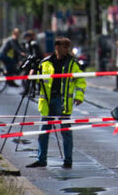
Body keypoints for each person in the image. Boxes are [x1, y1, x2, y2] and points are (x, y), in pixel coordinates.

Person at [27, 37, 86, 169]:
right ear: (57, 47)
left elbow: (81, 81)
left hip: (63, 101)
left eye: (68, 47)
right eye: (65, 47)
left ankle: (68, 161)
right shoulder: (45, 63)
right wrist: (32, 73)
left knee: (65, 132)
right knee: (44, 132)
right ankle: (41, 159)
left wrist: (79, 96)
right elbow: (37, 80)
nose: (67, 50)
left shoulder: (72, 64)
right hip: (48, 102)